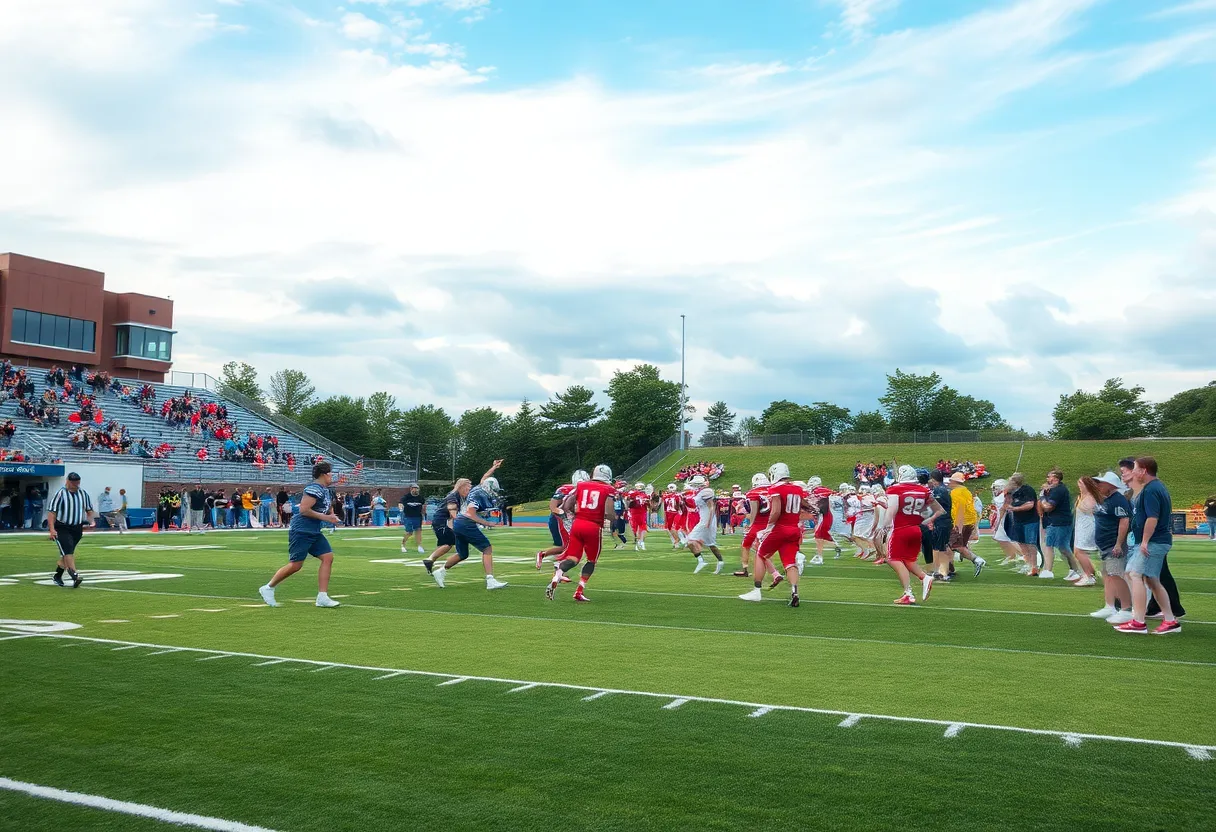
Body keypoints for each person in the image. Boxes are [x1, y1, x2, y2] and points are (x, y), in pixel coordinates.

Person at [258, 462, 342, 608]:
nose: (332, 476)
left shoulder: (325, 490)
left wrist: (332, 515)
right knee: (296, 565)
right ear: (324, 474)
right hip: (302, 530)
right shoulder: (313, 489)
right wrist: (327, 518)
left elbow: (327, 506)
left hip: (314, 530)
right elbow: (304, 510)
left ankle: (322, 596)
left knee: (328, 557)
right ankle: (268, 587)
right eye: (330, 473)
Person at [1114, 457, 1181, 634]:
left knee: (1134, 573)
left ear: (1143, 471)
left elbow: (1153, 517)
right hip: (1157, 540)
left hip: (1154, 541)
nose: (1133, 471)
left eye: (1135, 468)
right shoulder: (1154, 487)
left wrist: (1144, 541)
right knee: (1151, 579)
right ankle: (1170, 620)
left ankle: (1138, 621)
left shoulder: (1151, 490)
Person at [426, 460, 506, 589]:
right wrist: (486, 523)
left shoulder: (480, 490)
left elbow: (484, 478)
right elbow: (471, 514)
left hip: (459, 524)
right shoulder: (478, 495)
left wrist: (494, 467)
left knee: (463, 554)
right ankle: (490, 580)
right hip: (465, 524)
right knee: (487, 548)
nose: (494, 492)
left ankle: (440, 571)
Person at [546, 464, 618, 602]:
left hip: (577, 525)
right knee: (591, 560)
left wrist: (577, 513)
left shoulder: (581, 485)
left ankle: (558, 575)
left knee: (573, 558)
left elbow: (567, 505)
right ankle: (579, 591)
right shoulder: (609, 489)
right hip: (593, 527)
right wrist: (613, 517)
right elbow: (609, 513)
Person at [738, 462, 805, 607]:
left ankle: (756, 591)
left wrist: (769, 527)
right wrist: (814, 510)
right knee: (789, 562)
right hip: (794, 529)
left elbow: (775, 511)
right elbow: (804, 505)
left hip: (780, 528)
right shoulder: (798, 488)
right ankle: (794, 592)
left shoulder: (776, 488)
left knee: (761, 555)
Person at [877, 464, 941, 605]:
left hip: (900, 529)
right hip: (916, 529)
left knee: (892, 558)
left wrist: (885, 525)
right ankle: (924, 578)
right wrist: (927, 521)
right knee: (908, 560)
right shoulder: (923, 490)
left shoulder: (895, 489)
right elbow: (935, 510)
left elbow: (893, 508)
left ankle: (909, 592)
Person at [1087, 473, 1133, 623]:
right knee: (1108, 575)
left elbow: (1124, 521)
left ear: (1111, 485)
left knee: (1116, 576)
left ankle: (1126, 609)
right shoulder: (1107, 499)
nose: (1099, 486)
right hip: (1105, 544)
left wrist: (1119, 544)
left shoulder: (1118, 500)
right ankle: (1110, 605)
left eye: (1101, 483)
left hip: (1112, 544)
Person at [733, 472, 783, 588]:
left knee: (748, 546)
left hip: (758, 524)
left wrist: (751, 523)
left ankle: (747, 569)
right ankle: (777, 572)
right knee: (763, 549)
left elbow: (753, 510)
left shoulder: (753, 493)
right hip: (772, 523)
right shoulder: (773, 490)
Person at [46, 472, 95, 588]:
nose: (75, 485)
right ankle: (74, 575)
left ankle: (57, 576)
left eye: (77, 483)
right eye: (72, 482)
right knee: (68, 550)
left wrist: (91, 521)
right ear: (67, 481)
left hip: (77, 528)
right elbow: (52, 512)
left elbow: (89, 509)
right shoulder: (60, 494)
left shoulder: (83, 493)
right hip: (62, 527)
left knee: (66, 554)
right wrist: (52, 529)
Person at [1038, 468, 1087, 582]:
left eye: (1049, 476)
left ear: (1055, 478)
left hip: (1060, 522)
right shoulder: (1054, 490)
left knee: (1063, 547)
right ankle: (1051, 570)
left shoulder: (1059, 490)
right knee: (1053, 545)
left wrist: (1042, 498)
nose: (1047, 479)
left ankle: (1075, 570)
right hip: (1055, 521)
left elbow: (1048, 506)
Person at [535, 473, 583, 571]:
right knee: (566, 546)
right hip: (559, 520)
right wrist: (562, 514)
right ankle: (556, 566)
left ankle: (557, 570)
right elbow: (553, 506)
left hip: (564, 520)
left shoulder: (580, 491)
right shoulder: (565, 489)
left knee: (565, 546)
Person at [947, 472, 986, 577]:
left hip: (961, 523)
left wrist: (957, 527)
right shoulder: (966, 492)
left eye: (951, 481)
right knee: (956, 546)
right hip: (968, 522)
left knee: (955, 546)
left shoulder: (955, 493)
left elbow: (960, 509)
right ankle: (950, 569)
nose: (949, 483)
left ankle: (976, 559)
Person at [686, 475, 725, 574]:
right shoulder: (699, 492)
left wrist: (708, 522)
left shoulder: (706, 492)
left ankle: (702, 561)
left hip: (707, 520)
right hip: (704, 519)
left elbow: (712, 507)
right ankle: (719, 562)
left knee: (690, 541)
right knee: (710, 544)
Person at [1006, 473, 1041, 576]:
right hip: (1018, 521)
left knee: (1030, 543)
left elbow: (1030, 505)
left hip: (1030, 521)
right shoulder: (1013, 492)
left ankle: (1034, 566)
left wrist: (1015, 509)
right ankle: (1029, 564)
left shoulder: (1027, 490)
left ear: (1015, 482)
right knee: (1021, 543)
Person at [927, 471, 954, 581]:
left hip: (941, 521)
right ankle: (944, 570)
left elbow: (936, 507)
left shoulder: (938, 490)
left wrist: (931, 520)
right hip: (946, 520)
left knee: (939, 547)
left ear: (933, 479)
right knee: (943, 546)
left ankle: (942, 572)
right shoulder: (947, 489)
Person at [1073, 477, 1100, 587]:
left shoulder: (1090, 498)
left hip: (1088, 527)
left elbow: (1090, 510)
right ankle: (1089, 573)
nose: (1079, 485)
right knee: (1077, 551)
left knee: (1079, 551)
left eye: (1081, 483)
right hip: (1081, 526)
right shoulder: (1082, 496)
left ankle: (1089, 576)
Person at [399, 485, 426, 554]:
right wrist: (401, 508)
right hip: (408, 516)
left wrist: (424, 514)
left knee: (418, 531)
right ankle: (403, 544)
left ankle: (419, 546)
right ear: (411, 489)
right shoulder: (406, 497)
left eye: (417, 489)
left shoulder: (420, 498)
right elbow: (400, 503)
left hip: (418, 517)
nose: (416, 490)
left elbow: (424, 505)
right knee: (409, 532)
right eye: (414, 489)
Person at [626, 481, 650, 550]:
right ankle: (639, 542)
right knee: (636, 528)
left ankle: (641, 541)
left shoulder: (645, 495)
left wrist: (647, 502)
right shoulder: (633, 493)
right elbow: (628, 501)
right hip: (635, 512)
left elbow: (648, 505)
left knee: (642, 527)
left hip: (641, 512)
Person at [660, 483, 686, 548]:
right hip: (668, 513)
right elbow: (665, 508)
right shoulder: (665, 496)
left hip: (676, 512)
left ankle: (681, 541)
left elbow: (681, 505)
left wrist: (682, 513)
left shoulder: (678, 496)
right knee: (669, 529)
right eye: (670, 488)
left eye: (672, 488)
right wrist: (665, 516)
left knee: (675, 528)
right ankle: (676, 542)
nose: (670, 490)